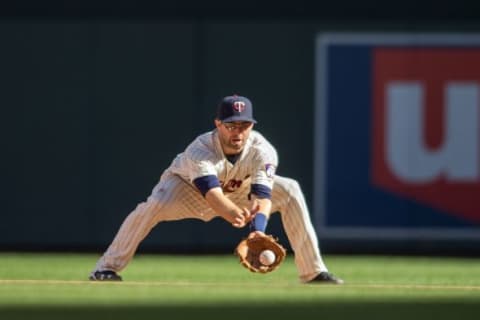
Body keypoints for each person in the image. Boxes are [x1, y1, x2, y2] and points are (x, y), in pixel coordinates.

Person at [89, 94, 344, 284]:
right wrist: (232, 213)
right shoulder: (200, 150)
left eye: (244, 125)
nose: (238, 131)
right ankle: (106, 268)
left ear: (252, 126)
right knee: (152, 206)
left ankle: (313, 272)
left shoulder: (263, 150)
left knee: (289, 190)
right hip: (185, 189)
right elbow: (213, 196)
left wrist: (257, 232)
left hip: (238, 190)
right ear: (218, 124)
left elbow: (262, 197)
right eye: (231, 125)